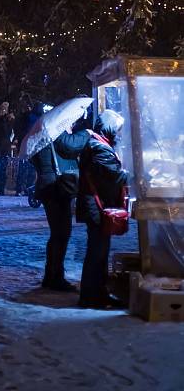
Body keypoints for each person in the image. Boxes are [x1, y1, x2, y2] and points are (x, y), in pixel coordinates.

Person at [77, 110, 128, 309]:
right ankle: (91, 296)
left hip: (96, 207)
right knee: (97, 252)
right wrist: (133, 174)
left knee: (100, 251)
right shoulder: (99, 147)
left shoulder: (98, 143)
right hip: (96, 208)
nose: (118, 133)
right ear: (109, 127)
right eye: (117, 129)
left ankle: (98, 292)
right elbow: (114, 176)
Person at [31, 122, 89, 291]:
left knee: (58, 234)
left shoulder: (40, 136)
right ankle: (55, 278)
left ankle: (52, 275)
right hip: (55, 187)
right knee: (61, 233)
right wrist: (85, 132)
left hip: (48, 186)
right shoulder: (54, 132)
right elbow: (70, 145)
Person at [15, 101, 41, 195]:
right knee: (30, 168)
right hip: (32, 146)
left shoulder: (27, 117)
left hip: (26, 145)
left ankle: (20, 189)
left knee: (25, 168)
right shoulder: (37, 118)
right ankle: (26, 188)